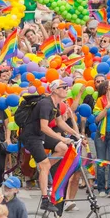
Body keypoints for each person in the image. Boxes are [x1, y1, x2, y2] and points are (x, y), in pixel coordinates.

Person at [19, 79, 82, 211]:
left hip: (40, 135)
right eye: (63, 87)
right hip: (31, 136)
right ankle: (44, 199)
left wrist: (76, 134)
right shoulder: (45, 104)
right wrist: (61, 138)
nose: (66, 89)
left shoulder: (56, 104)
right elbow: (44, 127)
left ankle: (44, 167)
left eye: (66, 87)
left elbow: (60, 123)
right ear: (54, 90)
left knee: (63, 149)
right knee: (48, 161)